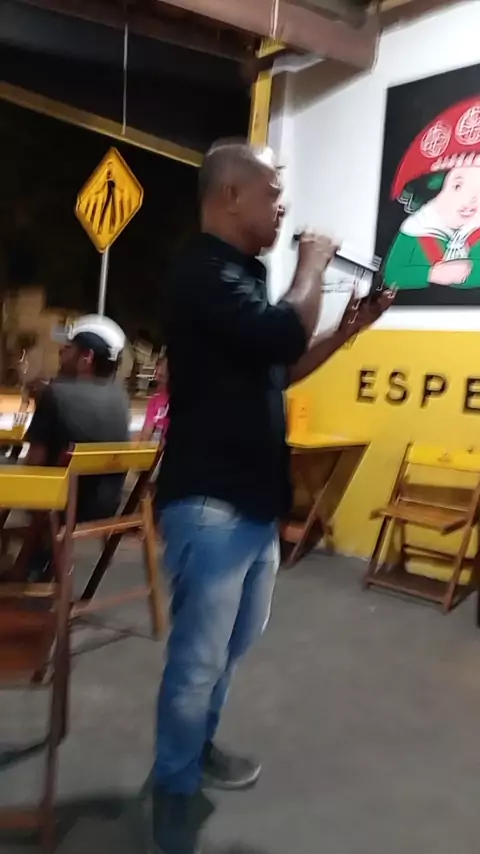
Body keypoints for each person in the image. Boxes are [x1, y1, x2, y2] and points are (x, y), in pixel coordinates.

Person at [153, 140, 393, 854]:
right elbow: (284, 331)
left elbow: (278, 366)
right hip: (210, 501)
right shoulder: (201, 272)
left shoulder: (242, 277)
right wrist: (312, 264)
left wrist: (348, 330)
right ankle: (171, 788)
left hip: (254, 501)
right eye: (274, 191)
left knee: (230, 649)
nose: (284, 207)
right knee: (197, 660)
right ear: (231, 194)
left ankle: (197, 749)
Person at [21, 315, 130, 578]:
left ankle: (30, 563)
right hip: (106, 505)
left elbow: (33, 465)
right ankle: (34, 563)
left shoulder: (56, 394)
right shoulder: (120, 397)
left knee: (22, 480)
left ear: (86, 357)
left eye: (69, 347)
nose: (61, 351)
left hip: (60, 507)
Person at [140, 353, 170, 442]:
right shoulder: (155, 400)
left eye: (161, 376)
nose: (156, 378)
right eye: (156, 373)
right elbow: (145, 436)